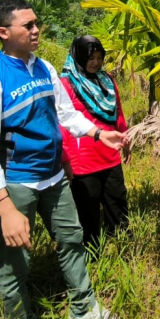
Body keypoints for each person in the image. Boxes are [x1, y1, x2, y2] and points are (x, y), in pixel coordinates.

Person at [0, 0, 125, 319]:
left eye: (37, 23)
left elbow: (65, 114)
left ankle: (84, 311)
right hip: (16, 183)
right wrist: (4, 207)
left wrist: (99, 133)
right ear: (4, 32)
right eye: (28, 26)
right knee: (15, 265)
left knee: (72, 239)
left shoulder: (44, 68)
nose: (37, 30)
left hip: (54, 178)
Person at [59, 36, 130, 252]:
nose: (95, 63)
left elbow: (117, 112)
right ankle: (91, 254)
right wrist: (65, 159)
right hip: (83, 159)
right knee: (87, 210)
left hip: (110, 153)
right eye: (90, 58)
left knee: (117, 202)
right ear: (79, 57)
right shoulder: (66, 83)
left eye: (99, 58)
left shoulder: (107, 80)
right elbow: (62, 122)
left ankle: (123, 247)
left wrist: (125, 138)